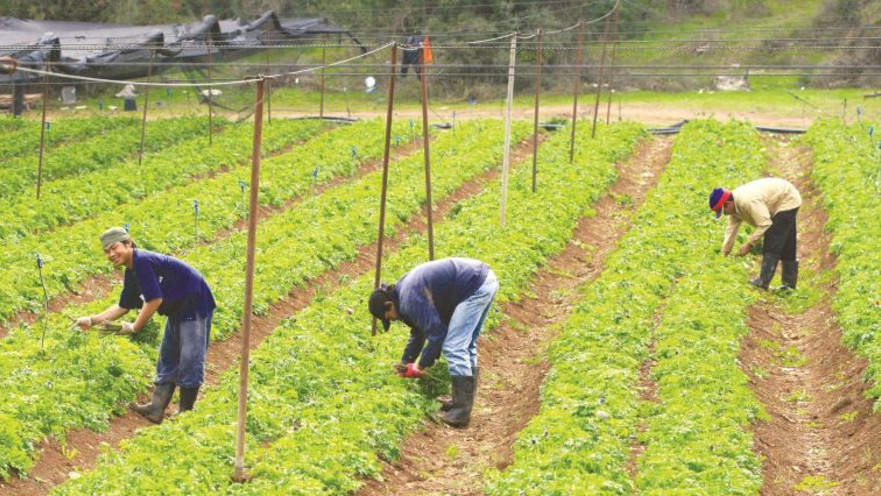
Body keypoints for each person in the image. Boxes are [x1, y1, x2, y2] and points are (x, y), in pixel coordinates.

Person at [76, 227, 216, 424]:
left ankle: (185, 413)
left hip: (194, 302)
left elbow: (154, 300)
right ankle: (156, 408)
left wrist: (135, 327)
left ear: (128, 244)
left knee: (189, 357)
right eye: (106, 251)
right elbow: (123, 306)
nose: (111, 254)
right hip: (176, 308)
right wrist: (91, 320)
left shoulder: (142, 261)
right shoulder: (132, 270)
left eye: (114, 248)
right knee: (168, 355)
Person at [368, 257, 499, 428]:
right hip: (483, 280)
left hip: (474, 286)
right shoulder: (402, 293)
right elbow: (419, 331)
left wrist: (420, 366)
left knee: (454, 346)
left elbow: (437, 334)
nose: (393, 320)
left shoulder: (408, 299)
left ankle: (461, 412)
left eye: (389, 318)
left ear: (389, 305)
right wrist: (405, 363)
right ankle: (460, 402)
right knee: (466, 345)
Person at [709, 177, 802, 290]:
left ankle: (763, 281)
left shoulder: (747, 201)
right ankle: (789, 285)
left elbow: (765, 223)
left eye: (723, 211)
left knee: (773, 239)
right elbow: (731, 231)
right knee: (787, 240)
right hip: (779, 197)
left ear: (728, 204)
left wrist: (749, 244)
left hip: (787, 199)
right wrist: (724, 253)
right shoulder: (734, 208)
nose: (725, 214)